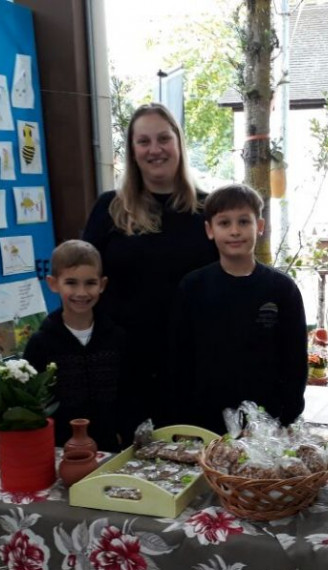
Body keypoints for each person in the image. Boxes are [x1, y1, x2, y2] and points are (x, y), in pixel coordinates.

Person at [82, 103, 217, 439]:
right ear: (132, 151)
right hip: (124, 368)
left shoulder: (209, 210)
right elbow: (84, 284)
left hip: (193, 364)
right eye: (143, 141)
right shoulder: (109, 208)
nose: (154, 149)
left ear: (178, 144)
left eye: (163, 138)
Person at [168, 184, 307, 434]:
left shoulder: (282, 289)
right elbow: (180, 358)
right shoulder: (192, 287)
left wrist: (287, 417)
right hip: (204, 421)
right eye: (224, 223)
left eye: (244, 222)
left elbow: (295, 360)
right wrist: (183, 419)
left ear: (260, 227)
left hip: (267, 422)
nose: (235, 231)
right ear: (210, 230)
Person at [24, 240, 128, 452]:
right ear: (53, 283)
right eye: (71, 283)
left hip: (110, 447)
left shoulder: (118, 338)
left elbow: (130, 391)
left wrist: (124, 432)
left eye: (90, 283)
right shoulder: (41, 343)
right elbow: (33, 403)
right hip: (60, 449)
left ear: (102, 284)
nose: (81, 292)